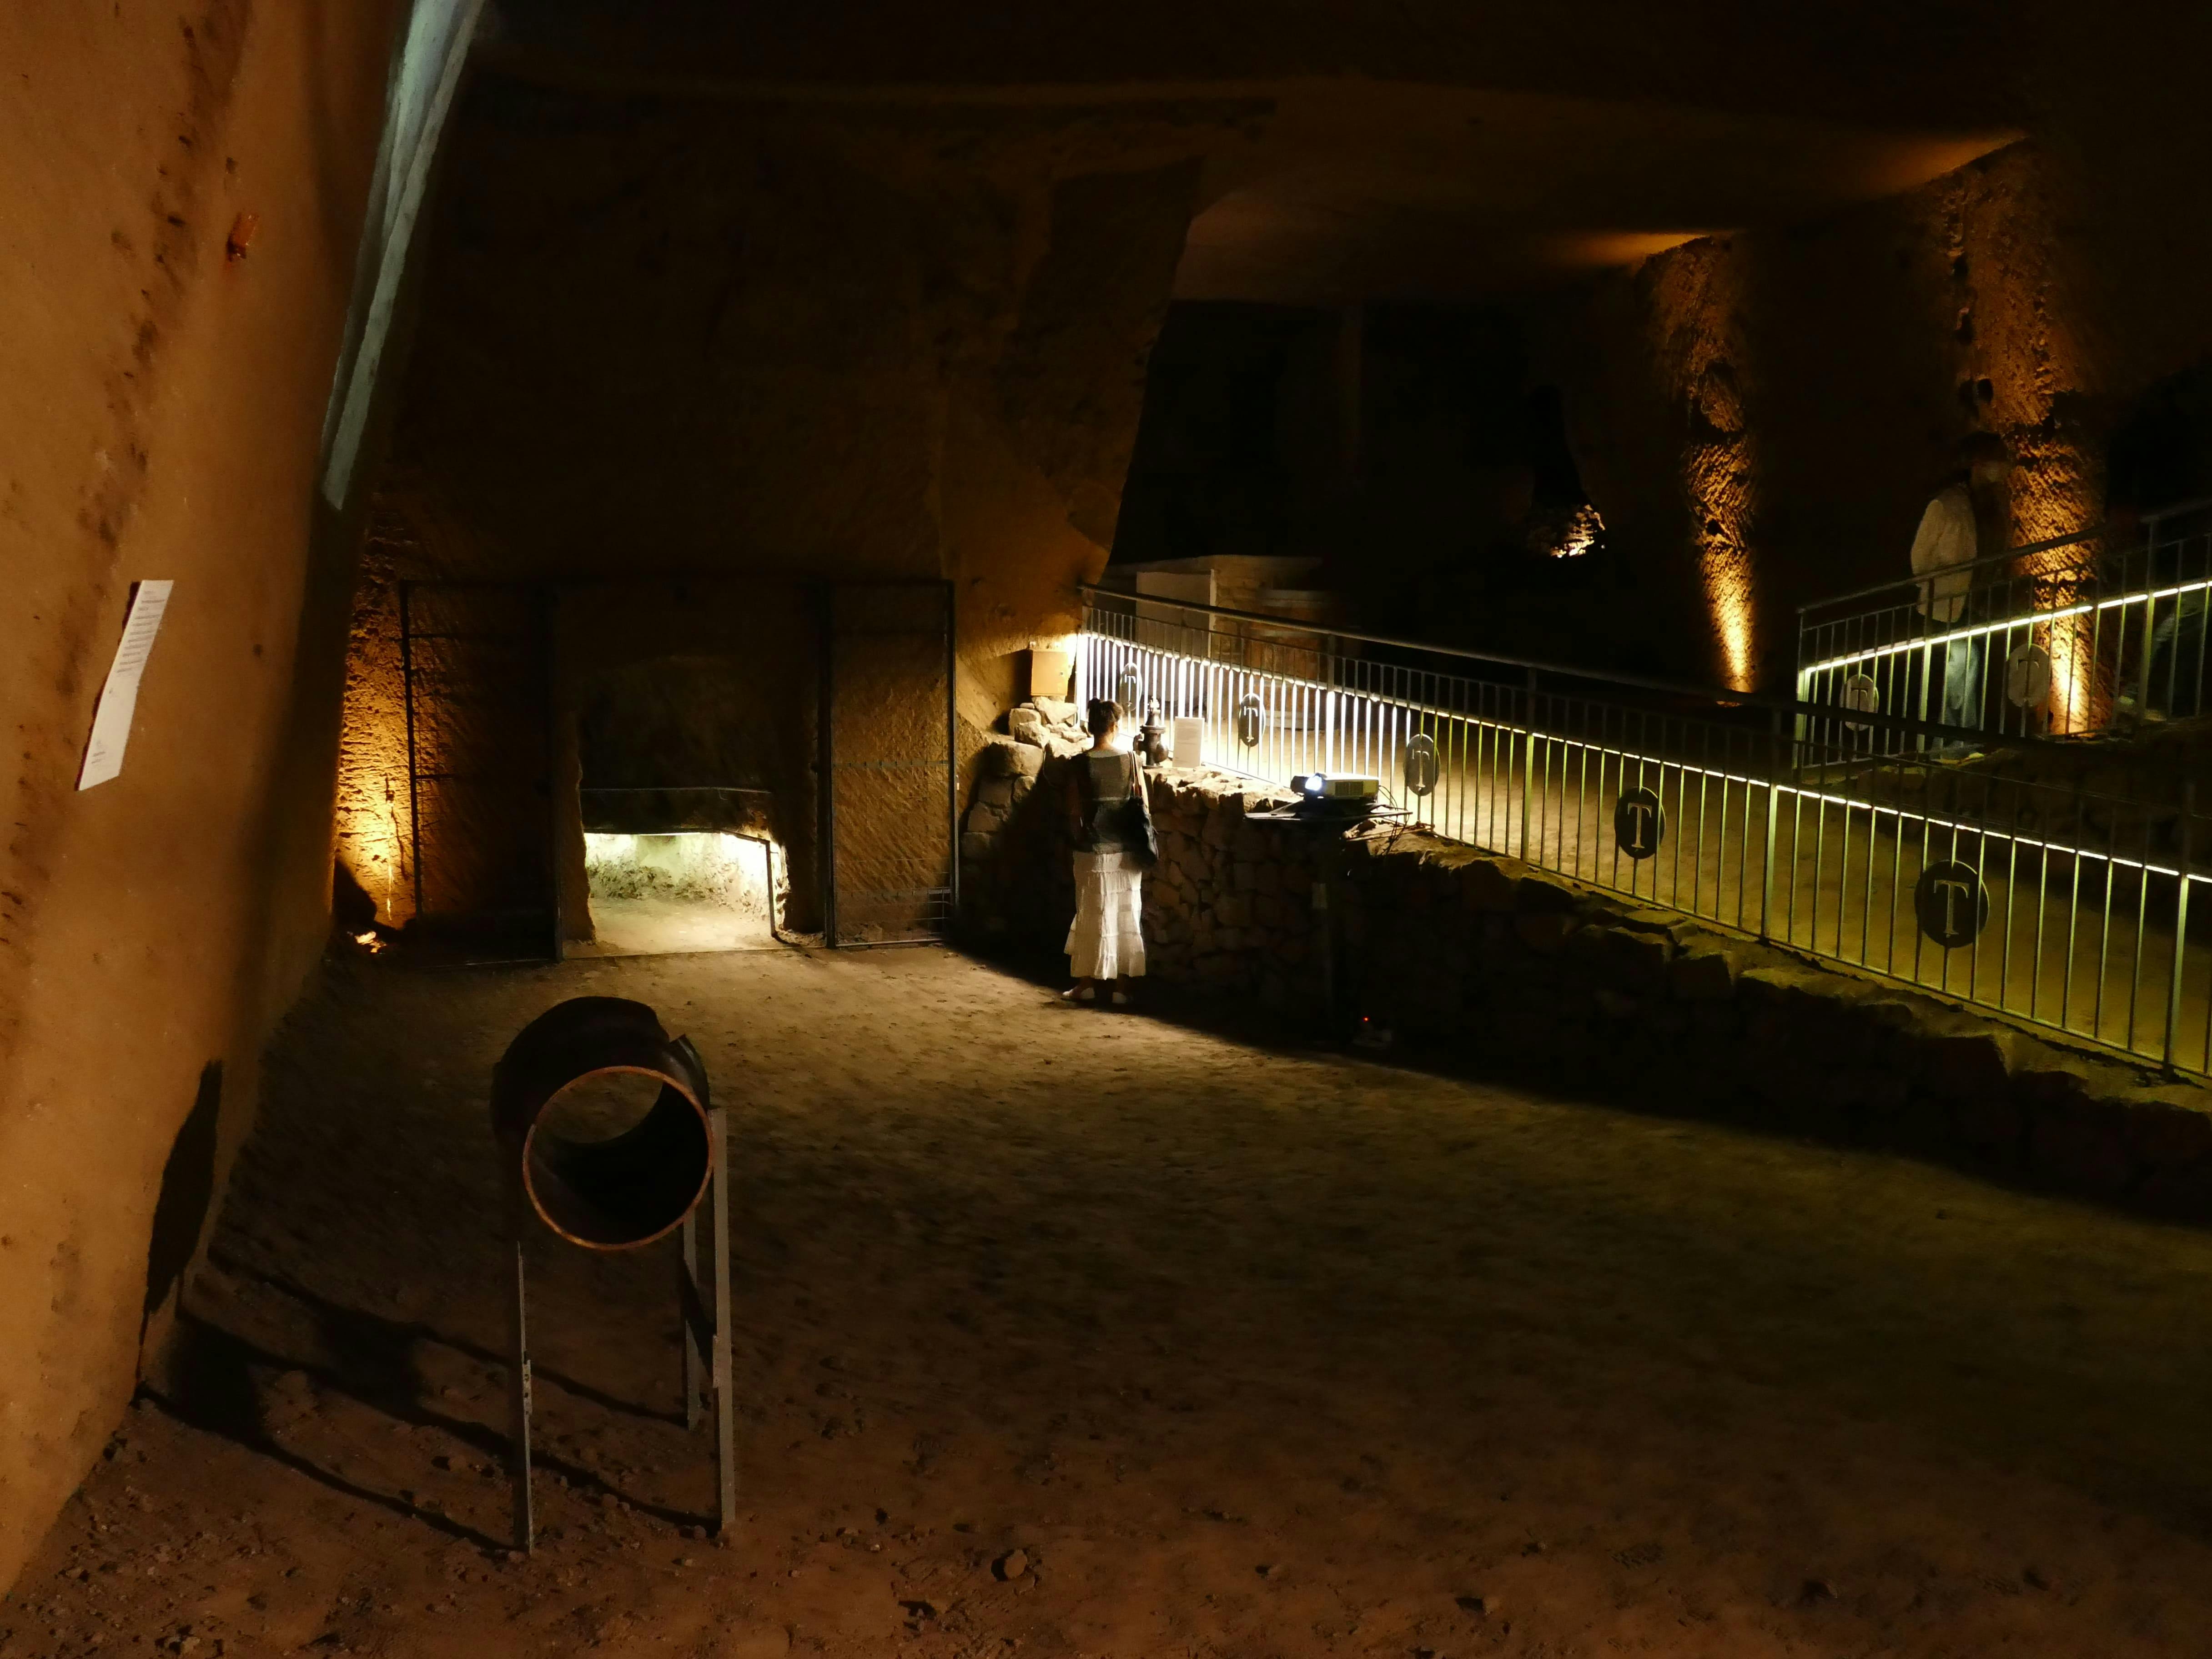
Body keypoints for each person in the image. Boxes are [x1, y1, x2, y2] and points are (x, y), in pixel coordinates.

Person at [1909, 432, 2013, 751]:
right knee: (1957, 666)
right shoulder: (1947, 505)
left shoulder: (1988, 506)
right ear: (1977, 465)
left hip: (1972, 602)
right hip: (1944, 603)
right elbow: (1919, 557)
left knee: (1967, 664)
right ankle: (1956, 738)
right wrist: (1937, 583)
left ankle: (1957, 738)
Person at [1062, 698, 1154, 1006]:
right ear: (1115, 727)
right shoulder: (1131, 759)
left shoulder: (1079, 764)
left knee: (1090, 914)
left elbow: (1074, 813)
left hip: (1092, 852)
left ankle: (1086, 984)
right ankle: (1121, 989)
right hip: (1127, 853)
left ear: (1091, 727)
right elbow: (1144, 806)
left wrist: (1079, 840)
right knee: (1126, 917)